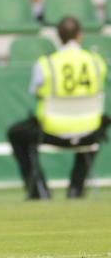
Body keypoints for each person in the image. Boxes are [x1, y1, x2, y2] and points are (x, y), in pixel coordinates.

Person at [7, 16, 109, 199]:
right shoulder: (96, 62)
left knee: (16, 133)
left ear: (58, 37)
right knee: (102, 125)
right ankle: (76, 188)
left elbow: (36, 91)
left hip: (52, 131)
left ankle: (39, 191)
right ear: (80, 36)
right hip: (88, 131)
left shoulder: (45, 64)